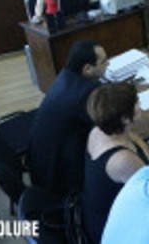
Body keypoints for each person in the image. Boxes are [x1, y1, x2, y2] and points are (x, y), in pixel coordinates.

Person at [29, 40, 109, 196]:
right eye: (104, 61)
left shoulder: (66, 75)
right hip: (59, 175)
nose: (108, 64)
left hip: (41, 161)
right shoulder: (84, 93)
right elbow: (108, 122)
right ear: (87, 68)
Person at [81, 82, 149, 243]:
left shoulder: (99, 130)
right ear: (125, 118)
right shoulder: (123, 161)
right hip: (113, 232)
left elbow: (133, 138)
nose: (140, 104)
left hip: (98, 213)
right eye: (136, 103)